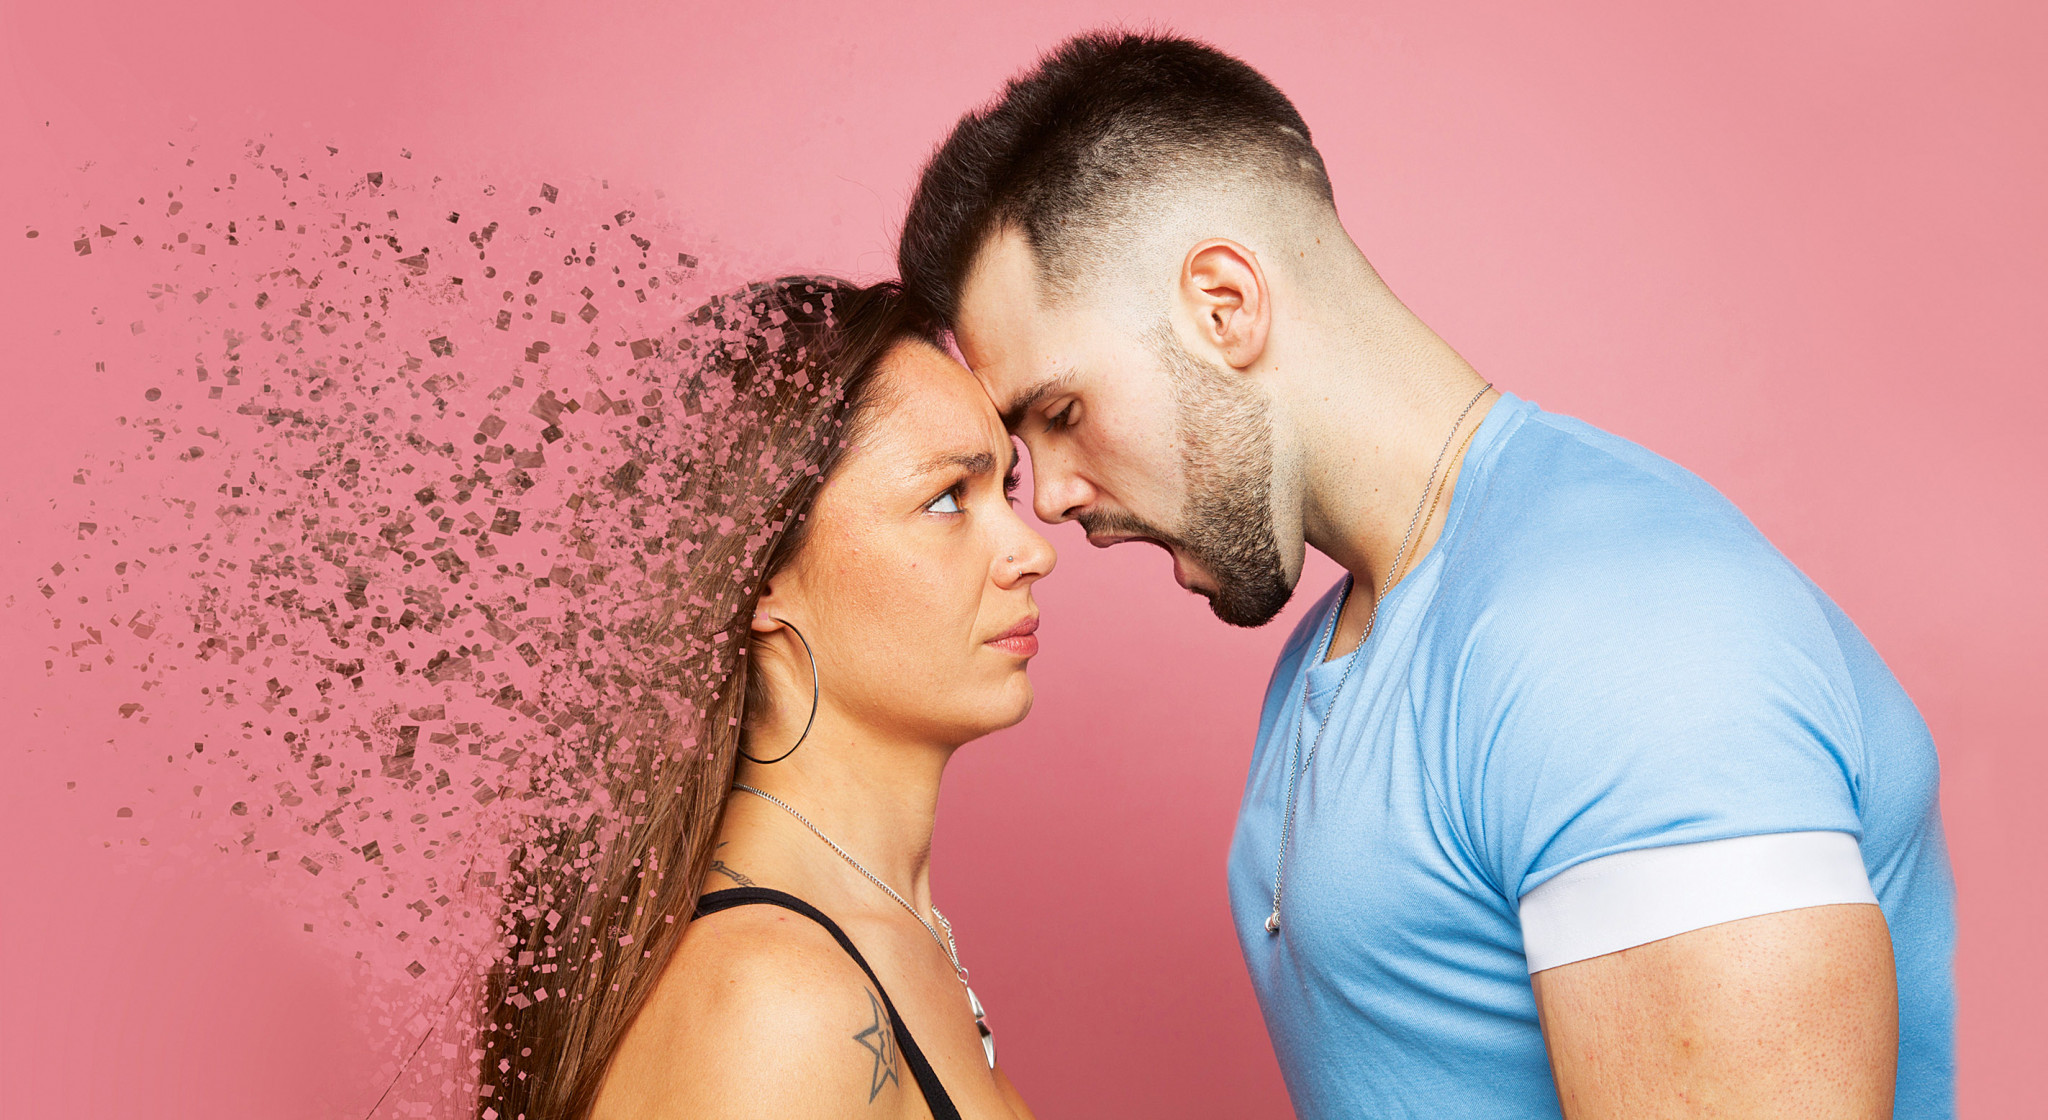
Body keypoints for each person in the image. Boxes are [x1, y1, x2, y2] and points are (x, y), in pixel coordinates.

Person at [897, 31, 1954, 1120]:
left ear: (1222, 305)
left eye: (1061, 412)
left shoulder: (1623, 637)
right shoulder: (1343, 644)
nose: (1053, 497)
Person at [479, 277, 1049, 1120]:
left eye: (1005, 490)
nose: (1033, 551)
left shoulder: (877, 932)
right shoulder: (778, 1004)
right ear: (764, 575)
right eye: (944, 500)